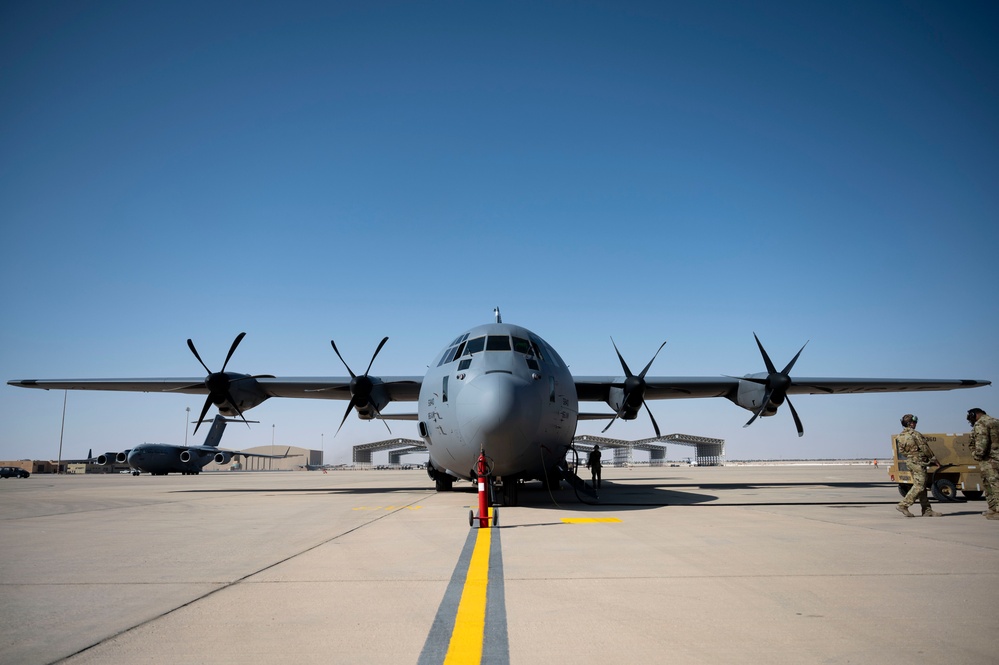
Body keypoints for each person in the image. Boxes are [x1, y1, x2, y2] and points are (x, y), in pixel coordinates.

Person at [895, 414, 941, 517]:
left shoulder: (900, 436)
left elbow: (902, 451)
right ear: (910, 423)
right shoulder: (915, 434)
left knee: (921, 486)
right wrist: (933, 459)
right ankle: (903, 505)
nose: (915, 424)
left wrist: (911, 456)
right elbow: (924, 448)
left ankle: (927, 510)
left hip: (911, 462)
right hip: (919, 462)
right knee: (919, 486)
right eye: (914, 422)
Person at [967, 408, 999, 520]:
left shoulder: (981, 424)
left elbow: (982, 444)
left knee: (993, 485)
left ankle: (996, 510)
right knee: (992, 484)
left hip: (989, 460)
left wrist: (976, 454)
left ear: (974, 415)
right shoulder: (996, 421)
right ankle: (993, 509)